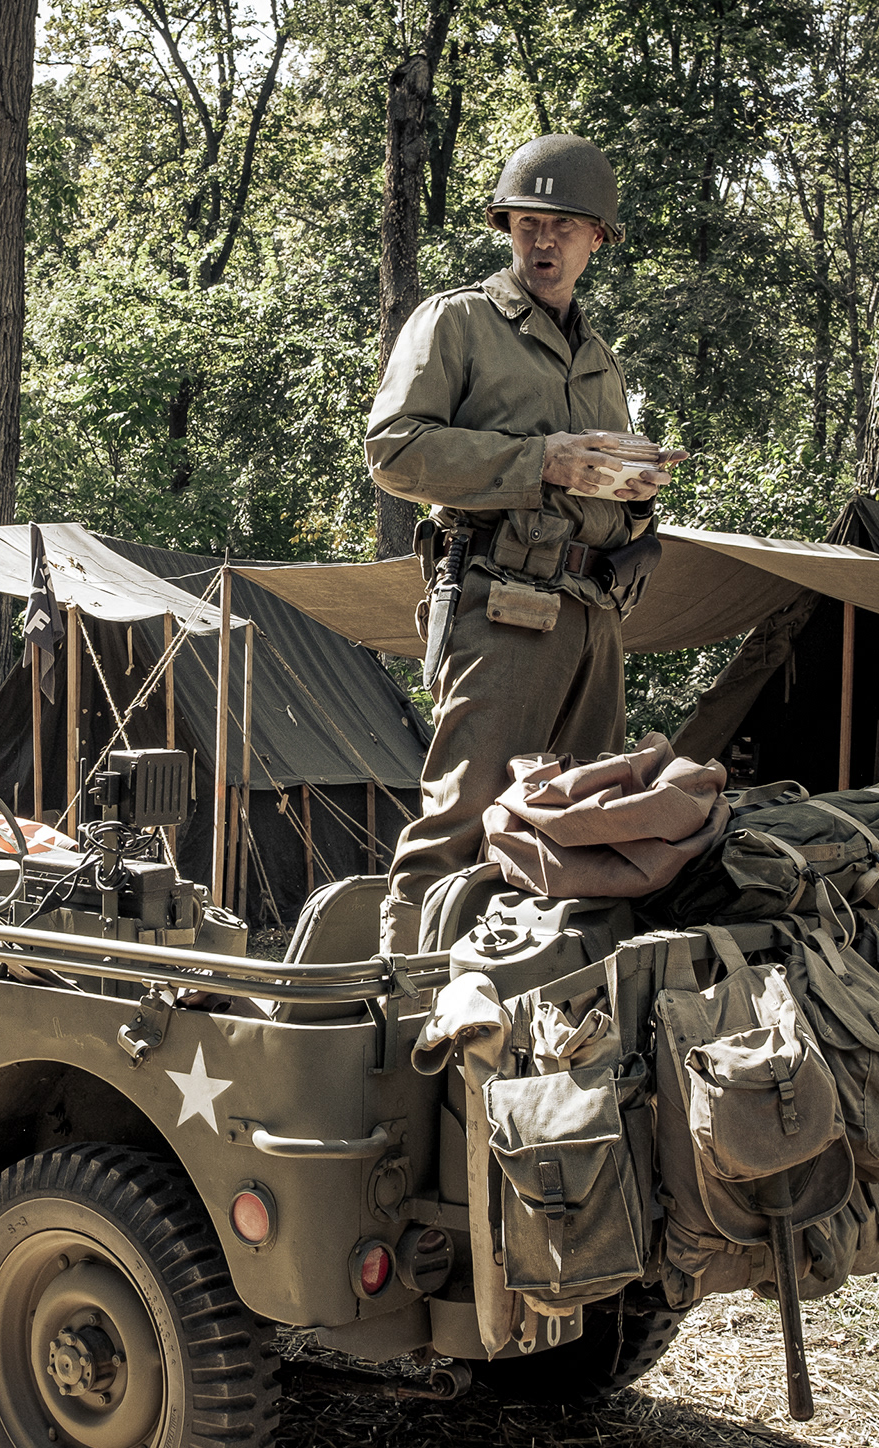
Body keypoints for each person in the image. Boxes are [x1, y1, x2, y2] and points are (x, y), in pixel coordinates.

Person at [365, 133, 684, 953]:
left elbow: (592, 483)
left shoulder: (599, 359)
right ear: (507, 229)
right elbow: (394, 451)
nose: (543, 241)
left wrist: (636, 498)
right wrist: (542, 460)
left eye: (563, 226)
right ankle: (403, 1005)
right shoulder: (459, 321)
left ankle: (531, 1003)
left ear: (596, 238)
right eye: (528, 223)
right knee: (463, 824)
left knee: (578, 825)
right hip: (504, 603)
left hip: (594, 613)